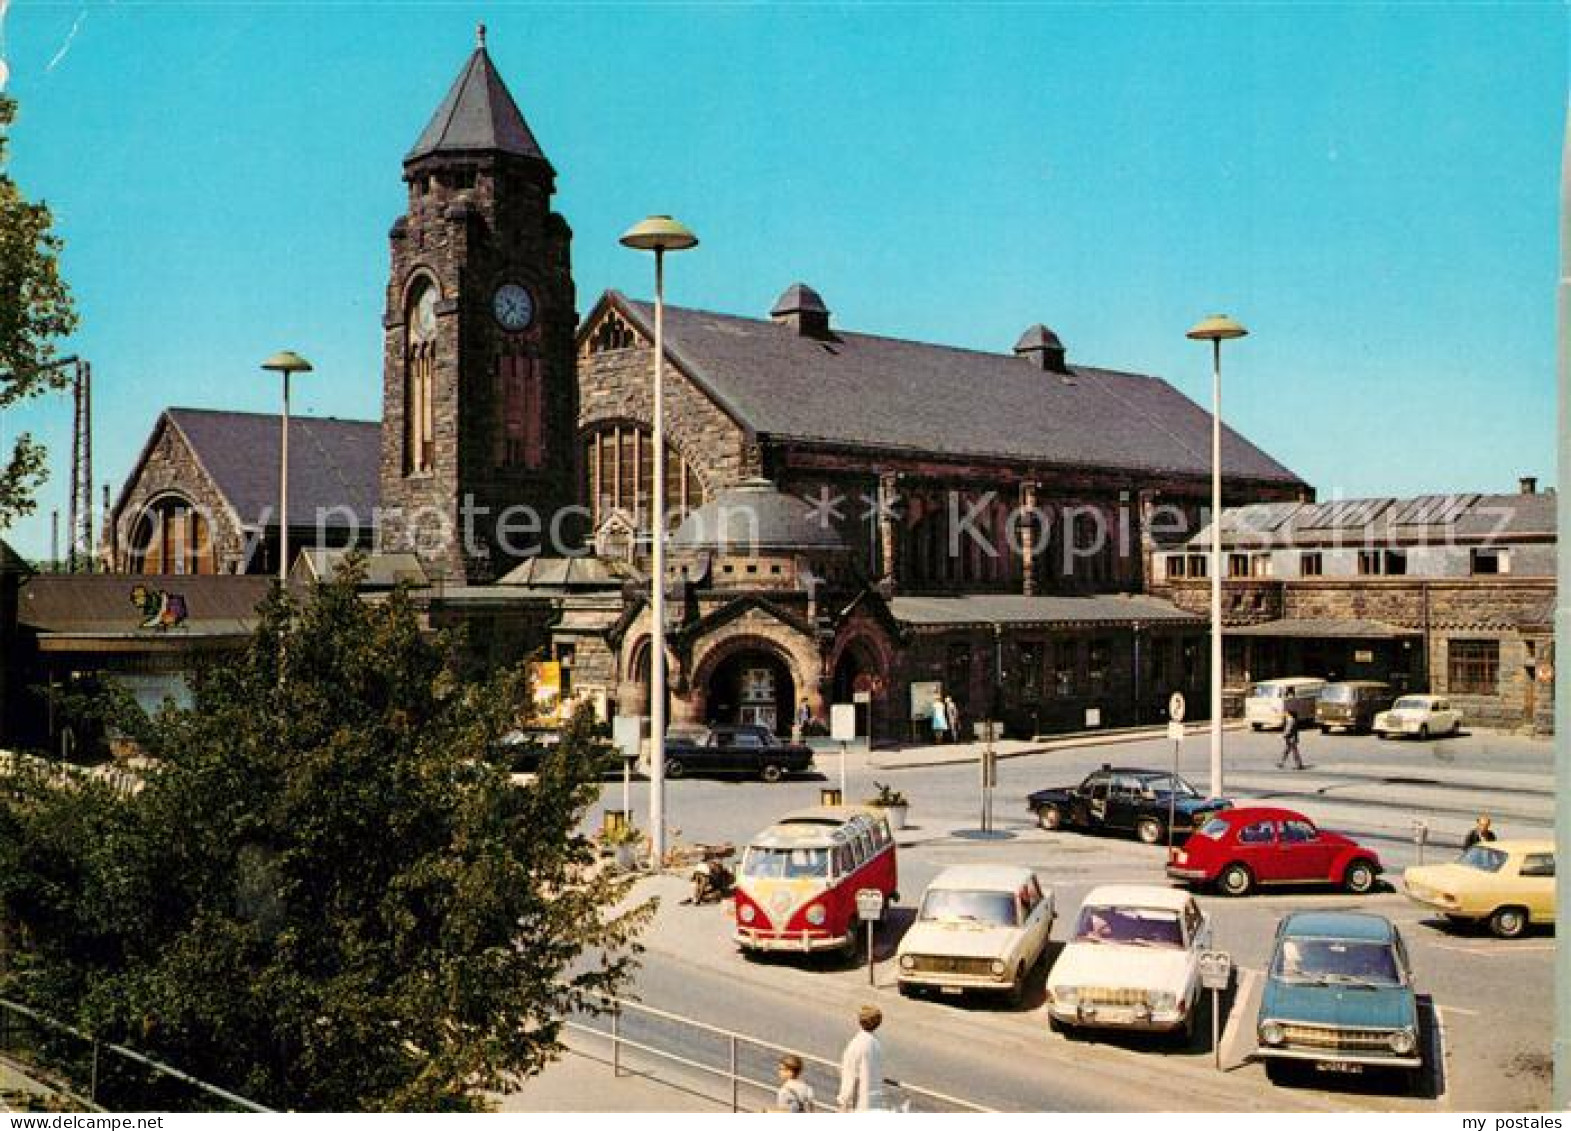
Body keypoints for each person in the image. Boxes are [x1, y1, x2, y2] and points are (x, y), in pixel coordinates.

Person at [836, 1005, 885, 1112]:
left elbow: (849, 1076)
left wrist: (843, 1102)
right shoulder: (876, 1043)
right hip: (875, 1102)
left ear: (860, 1021)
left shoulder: (856, 1044)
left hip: (858, 1105)